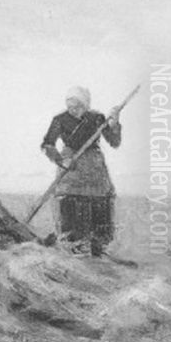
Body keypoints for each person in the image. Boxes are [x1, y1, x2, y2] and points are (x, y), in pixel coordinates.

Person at [41, 86, 122, 256]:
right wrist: (61, 161)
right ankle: (74, 243)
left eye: (77, 106)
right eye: (70, 106)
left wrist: (114, 123)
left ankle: (99, 243)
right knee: (71, 199)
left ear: (85, 105)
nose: (73, 110)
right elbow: (48, 144)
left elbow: (114, 142)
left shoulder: (97, 118)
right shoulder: (60, 119)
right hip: (71, 165)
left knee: (100, 200)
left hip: (94, 165)